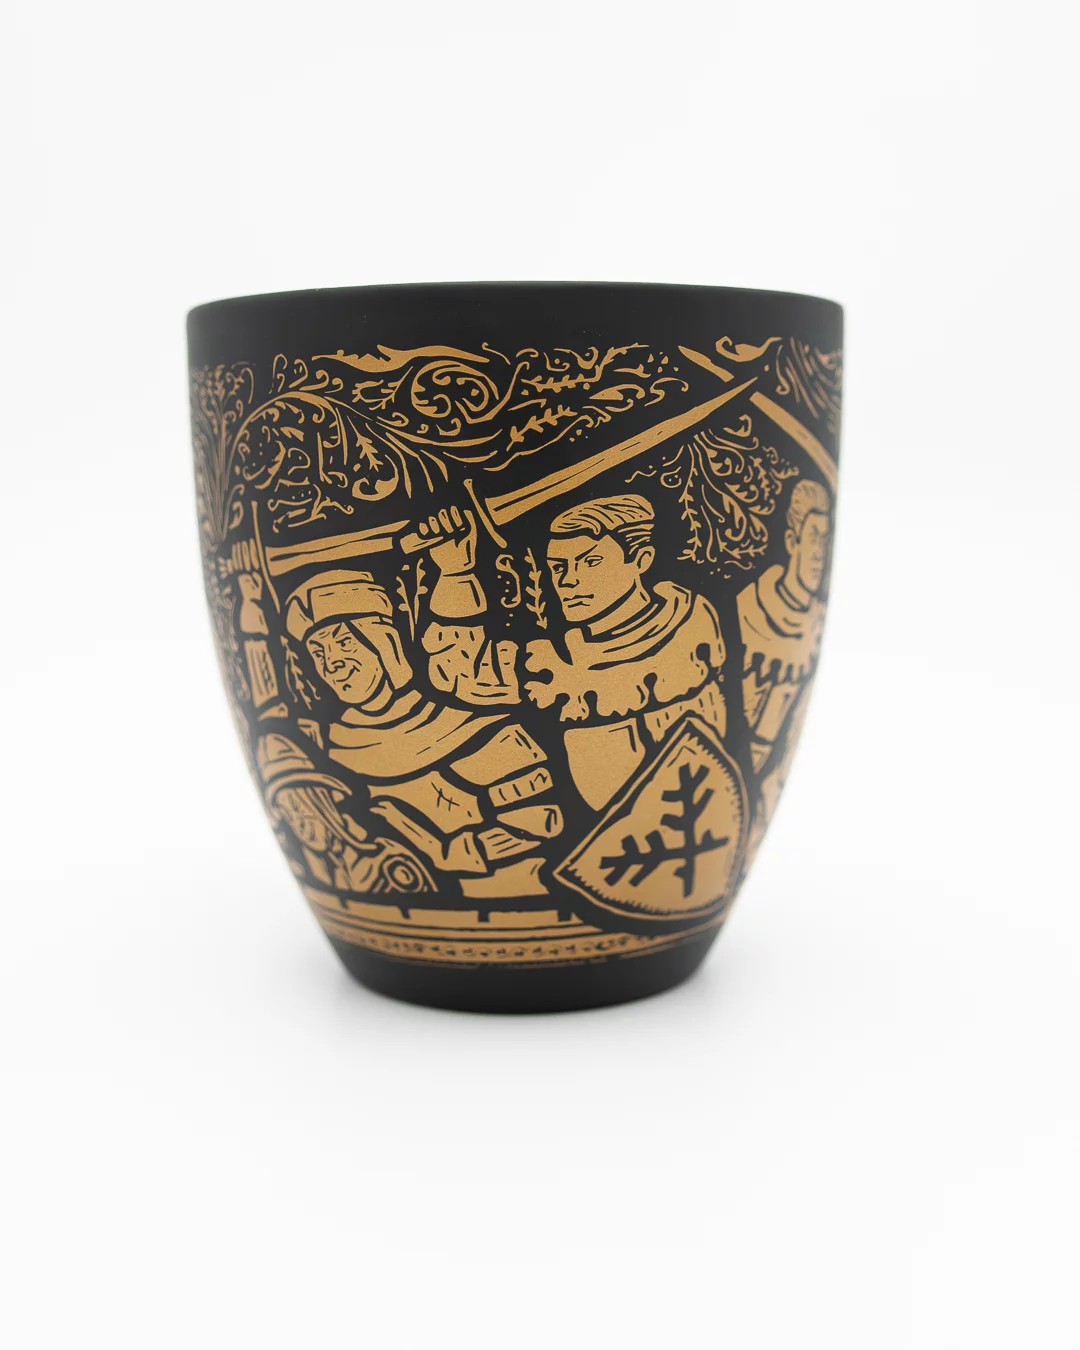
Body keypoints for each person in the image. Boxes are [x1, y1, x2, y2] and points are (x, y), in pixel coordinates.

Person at [422, 496, 728, 811]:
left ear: (641, 559)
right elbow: (463, 673)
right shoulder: (556, 662)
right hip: (613, 832)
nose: (568, 581)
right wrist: (455, 571)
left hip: (704, 812)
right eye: (558, 567)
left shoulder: (691, 620)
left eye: (591, 562)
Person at [283, 571, 564, 905]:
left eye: (345, 643)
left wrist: (445, 852)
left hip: (515, 903)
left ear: (384, 644)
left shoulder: (485, 734)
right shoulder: (330, 750)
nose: (333, 665)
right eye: (319, 653)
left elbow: (540, 823)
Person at [256, 732, 434, 905]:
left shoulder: (387, 862)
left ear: (321, 803)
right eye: (288, 814)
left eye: (298, 808)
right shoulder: (314, 869)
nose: (298, 823)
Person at [736, 477, 831, 778]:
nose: (819, 553)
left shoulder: (813, 624)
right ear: (792, 541)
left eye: (825, 540)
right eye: (813, 537)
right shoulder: (748, 611)